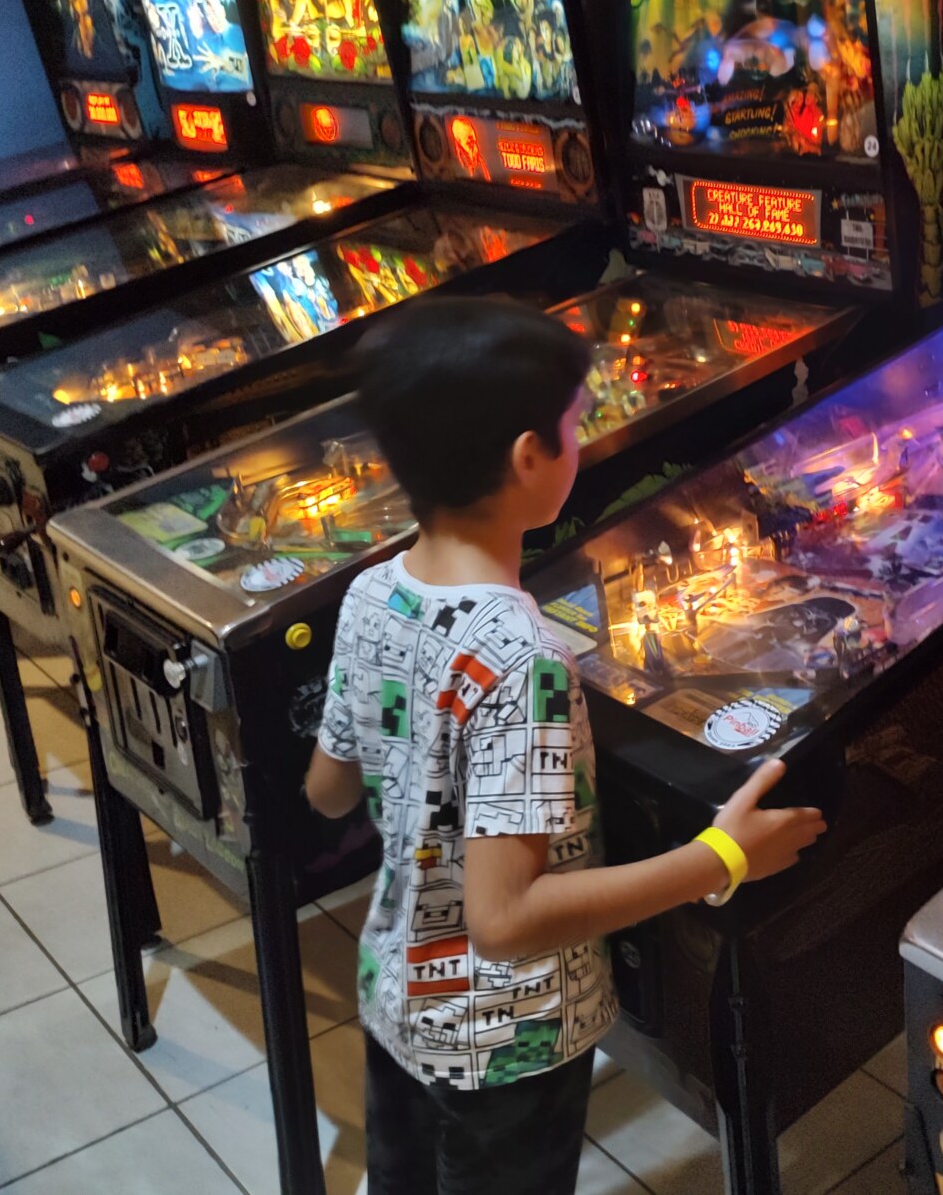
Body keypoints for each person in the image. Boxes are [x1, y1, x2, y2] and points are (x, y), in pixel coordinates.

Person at [305, 296, 826, 1195]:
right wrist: (722, 857)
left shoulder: (372, 592)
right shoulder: (520, 658)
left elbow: (329, 790)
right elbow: (505, 919)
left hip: (399, 995)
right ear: (527, 458)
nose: (581, 442)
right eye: (576, 425)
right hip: (509, 1039)